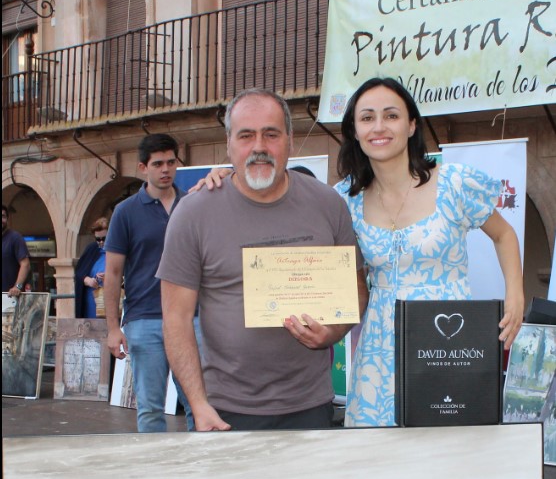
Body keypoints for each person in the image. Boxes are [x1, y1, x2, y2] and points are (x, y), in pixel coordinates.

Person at [157, 88, 368, 432]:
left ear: (289, 140)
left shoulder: (328, 204)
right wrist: (197, 404)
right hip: (224, 410)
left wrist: (333, 332)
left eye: (271, 134)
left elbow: (356, 292)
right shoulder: (194, 213)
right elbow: (175, 318)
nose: (259, 147)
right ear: (228, 144)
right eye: (246, 135)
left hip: (310, 405)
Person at [335, 77, 524, 427]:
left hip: (448, 343)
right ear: (355, 131)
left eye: (391, 116)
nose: (379, 127)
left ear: (411, 125)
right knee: (378, 457)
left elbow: (504, 234)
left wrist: (515, 295)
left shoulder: (454, 183)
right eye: (367, 118)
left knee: (445, 450)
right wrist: (225, 181)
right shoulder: (345, 198)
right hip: (379, 346)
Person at [103, 134, 187, 433]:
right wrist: (113, 328)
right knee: (151, 409)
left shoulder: (191, 205)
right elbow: (112, 273)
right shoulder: (126, 211)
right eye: (158, 164)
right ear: (143, 168)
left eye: (171, 162)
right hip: (144, 320)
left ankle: (203, 473)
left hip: (190, 319)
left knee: (199, 404)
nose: (166, 169)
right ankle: (155, 474)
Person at [74, 216, 110, 318]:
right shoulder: (91, 249)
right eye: (98, 239)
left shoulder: (118, 250)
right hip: (91, 304)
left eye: (104, 238)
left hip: (112, 302)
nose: (101, 242)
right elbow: (79, 273)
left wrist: (110, 278)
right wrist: (87, 280)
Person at [2, 204, 31, 296]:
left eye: (3, 216)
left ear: (7, 219)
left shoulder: (15, 238)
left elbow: (25, 264)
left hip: (9, 298)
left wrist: (17, 287)